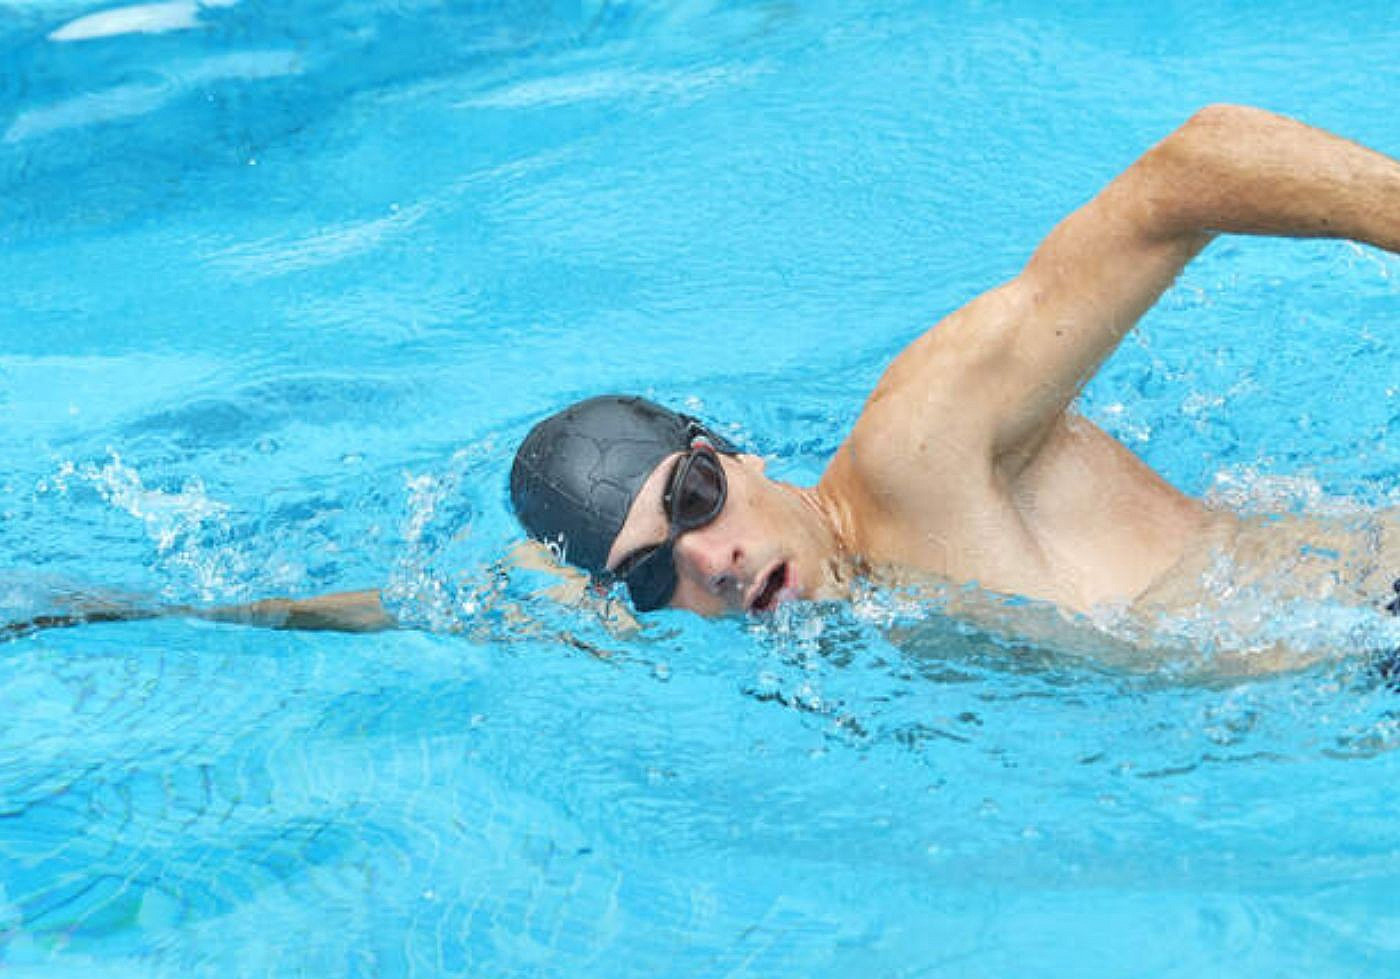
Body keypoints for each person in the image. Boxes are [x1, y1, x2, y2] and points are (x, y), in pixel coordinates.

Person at [10, 106, 1397, 660]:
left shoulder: (921, 450)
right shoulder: (750, 593)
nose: (712, 562)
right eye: (652, 576)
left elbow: (1192, 167)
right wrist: (154, 612)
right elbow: (456, 602)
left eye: (692, 501)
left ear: (731, 453)